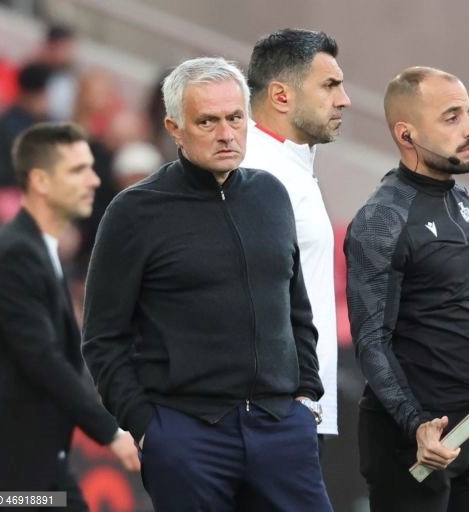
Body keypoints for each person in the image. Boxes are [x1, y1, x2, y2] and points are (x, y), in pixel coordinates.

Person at [82, 57, 332, 512]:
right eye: (207, 121)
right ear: (174, 128)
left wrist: (306, 396)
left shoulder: (271, 195)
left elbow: (296, 307)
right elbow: (102, 337)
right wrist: (148, 428)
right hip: (187, 436)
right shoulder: (134, 212)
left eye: (235, 118)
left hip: (282, 429)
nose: (226, 133)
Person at [345, 66, 469, 512]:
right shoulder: (383, 217)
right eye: (452, 117)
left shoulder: (461, 201)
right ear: (407, 134)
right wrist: (416, 423)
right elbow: (371, 340)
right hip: (414, 443)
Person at [0, 122, 139, 511]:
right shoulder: (15, 253)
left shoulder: (39, 249)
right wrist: (110, 431)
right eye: (78, 170)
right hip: (7, 477)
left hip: (38, 467)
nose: (94, 180)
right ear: (41, 181)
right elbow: (42, 358)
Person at [242, 28, 351, 443]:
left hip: (300, 406)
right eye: (329, 85)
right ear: (281, 96)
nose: (344, 99)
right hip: (272, 411)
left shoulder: (293, 164)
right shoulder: (253, 171)